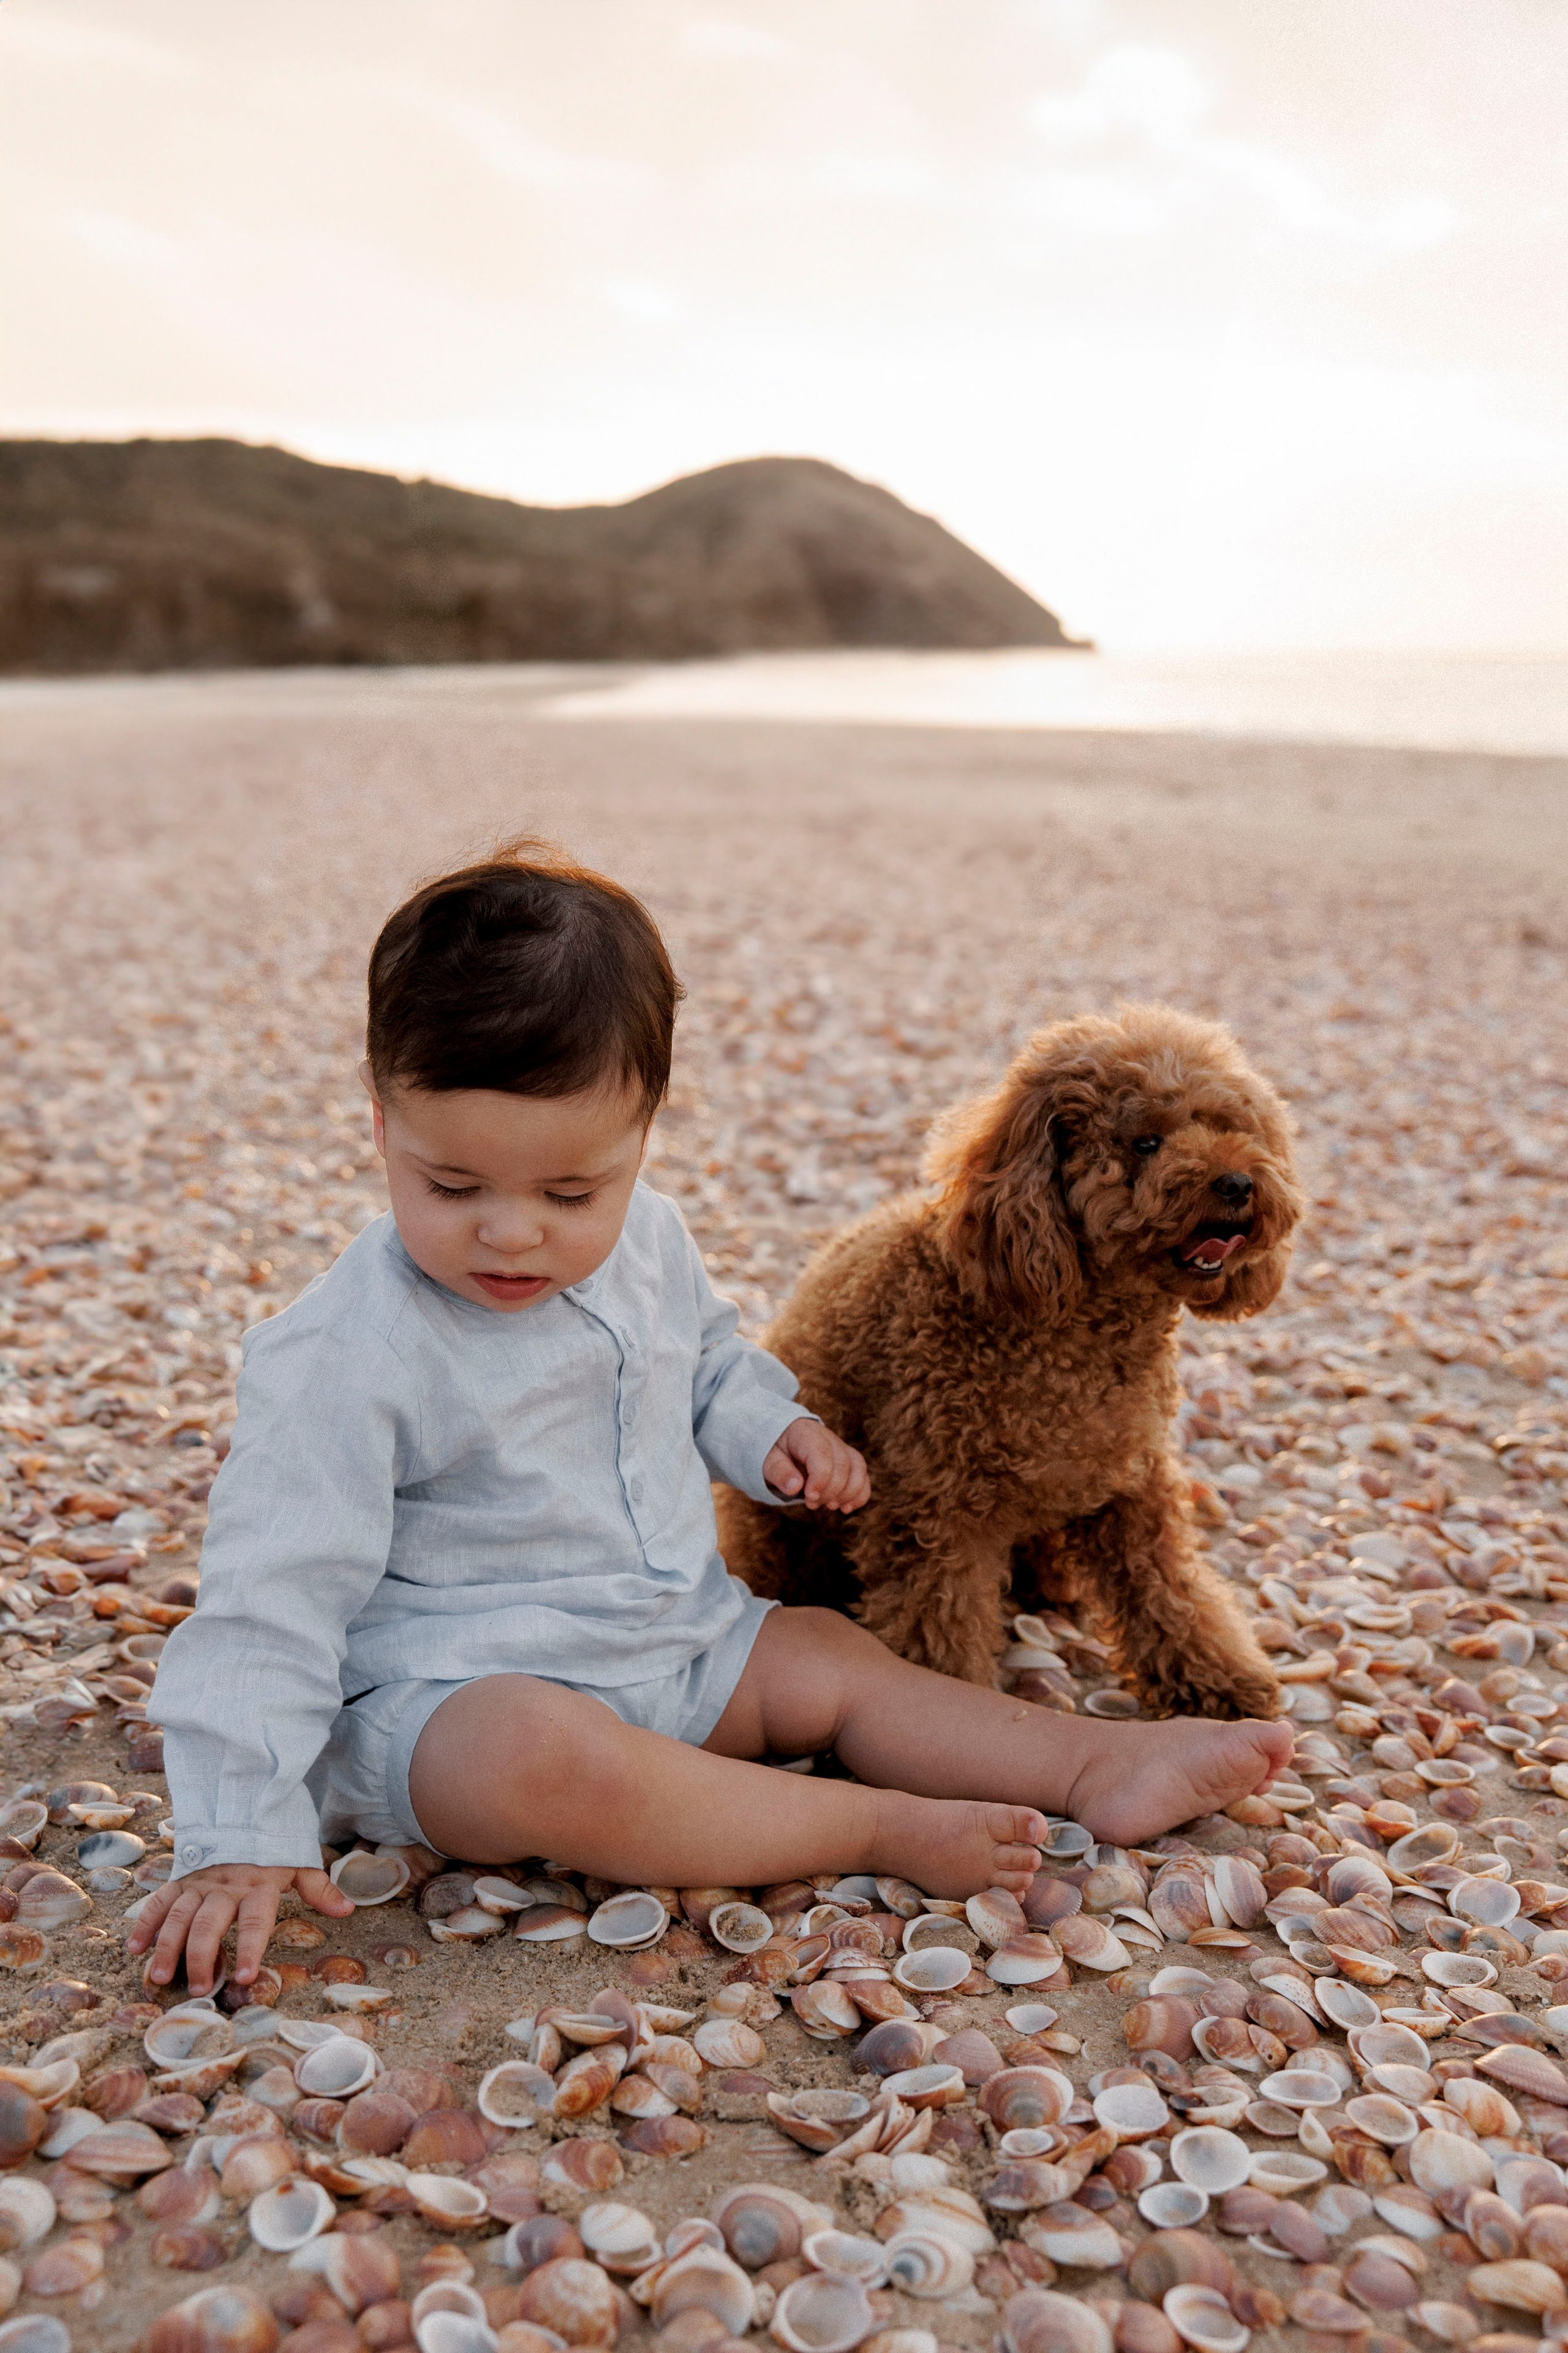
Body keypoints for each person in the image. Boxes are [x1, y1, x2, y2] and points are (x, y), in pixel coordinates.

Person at [134, 844, 1293, 1996]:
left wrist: (770, 1434)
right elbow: (265, 1596)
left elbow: (704, 1363)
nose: (512, 1234)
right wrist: (236, 1828)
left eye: (569, 1192)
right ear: (383, 1124)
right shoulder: (345, 1352)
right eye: (454, 1187)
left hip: (674, 1643)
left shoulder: (649, 1242)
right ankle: (866, 1825)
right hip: (456, 1696)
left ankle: (1094, 1759)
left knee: (831, 1654)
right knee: (542, 1761)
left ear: (643, 1134)